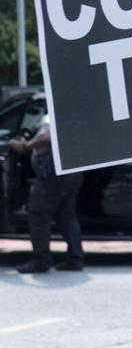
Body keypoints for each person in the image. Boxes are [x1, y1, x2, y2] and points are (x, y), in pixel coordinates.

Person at [7, 111, 85, 273]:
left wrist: (25, 146)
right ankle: (75, 258)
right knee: (66, 216)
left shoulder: (52, 115)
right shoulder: (73, 115)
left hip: (53, 175)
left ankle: (40, 261)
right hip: (72, 170)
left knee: (38, 213)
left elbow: (45, 137)